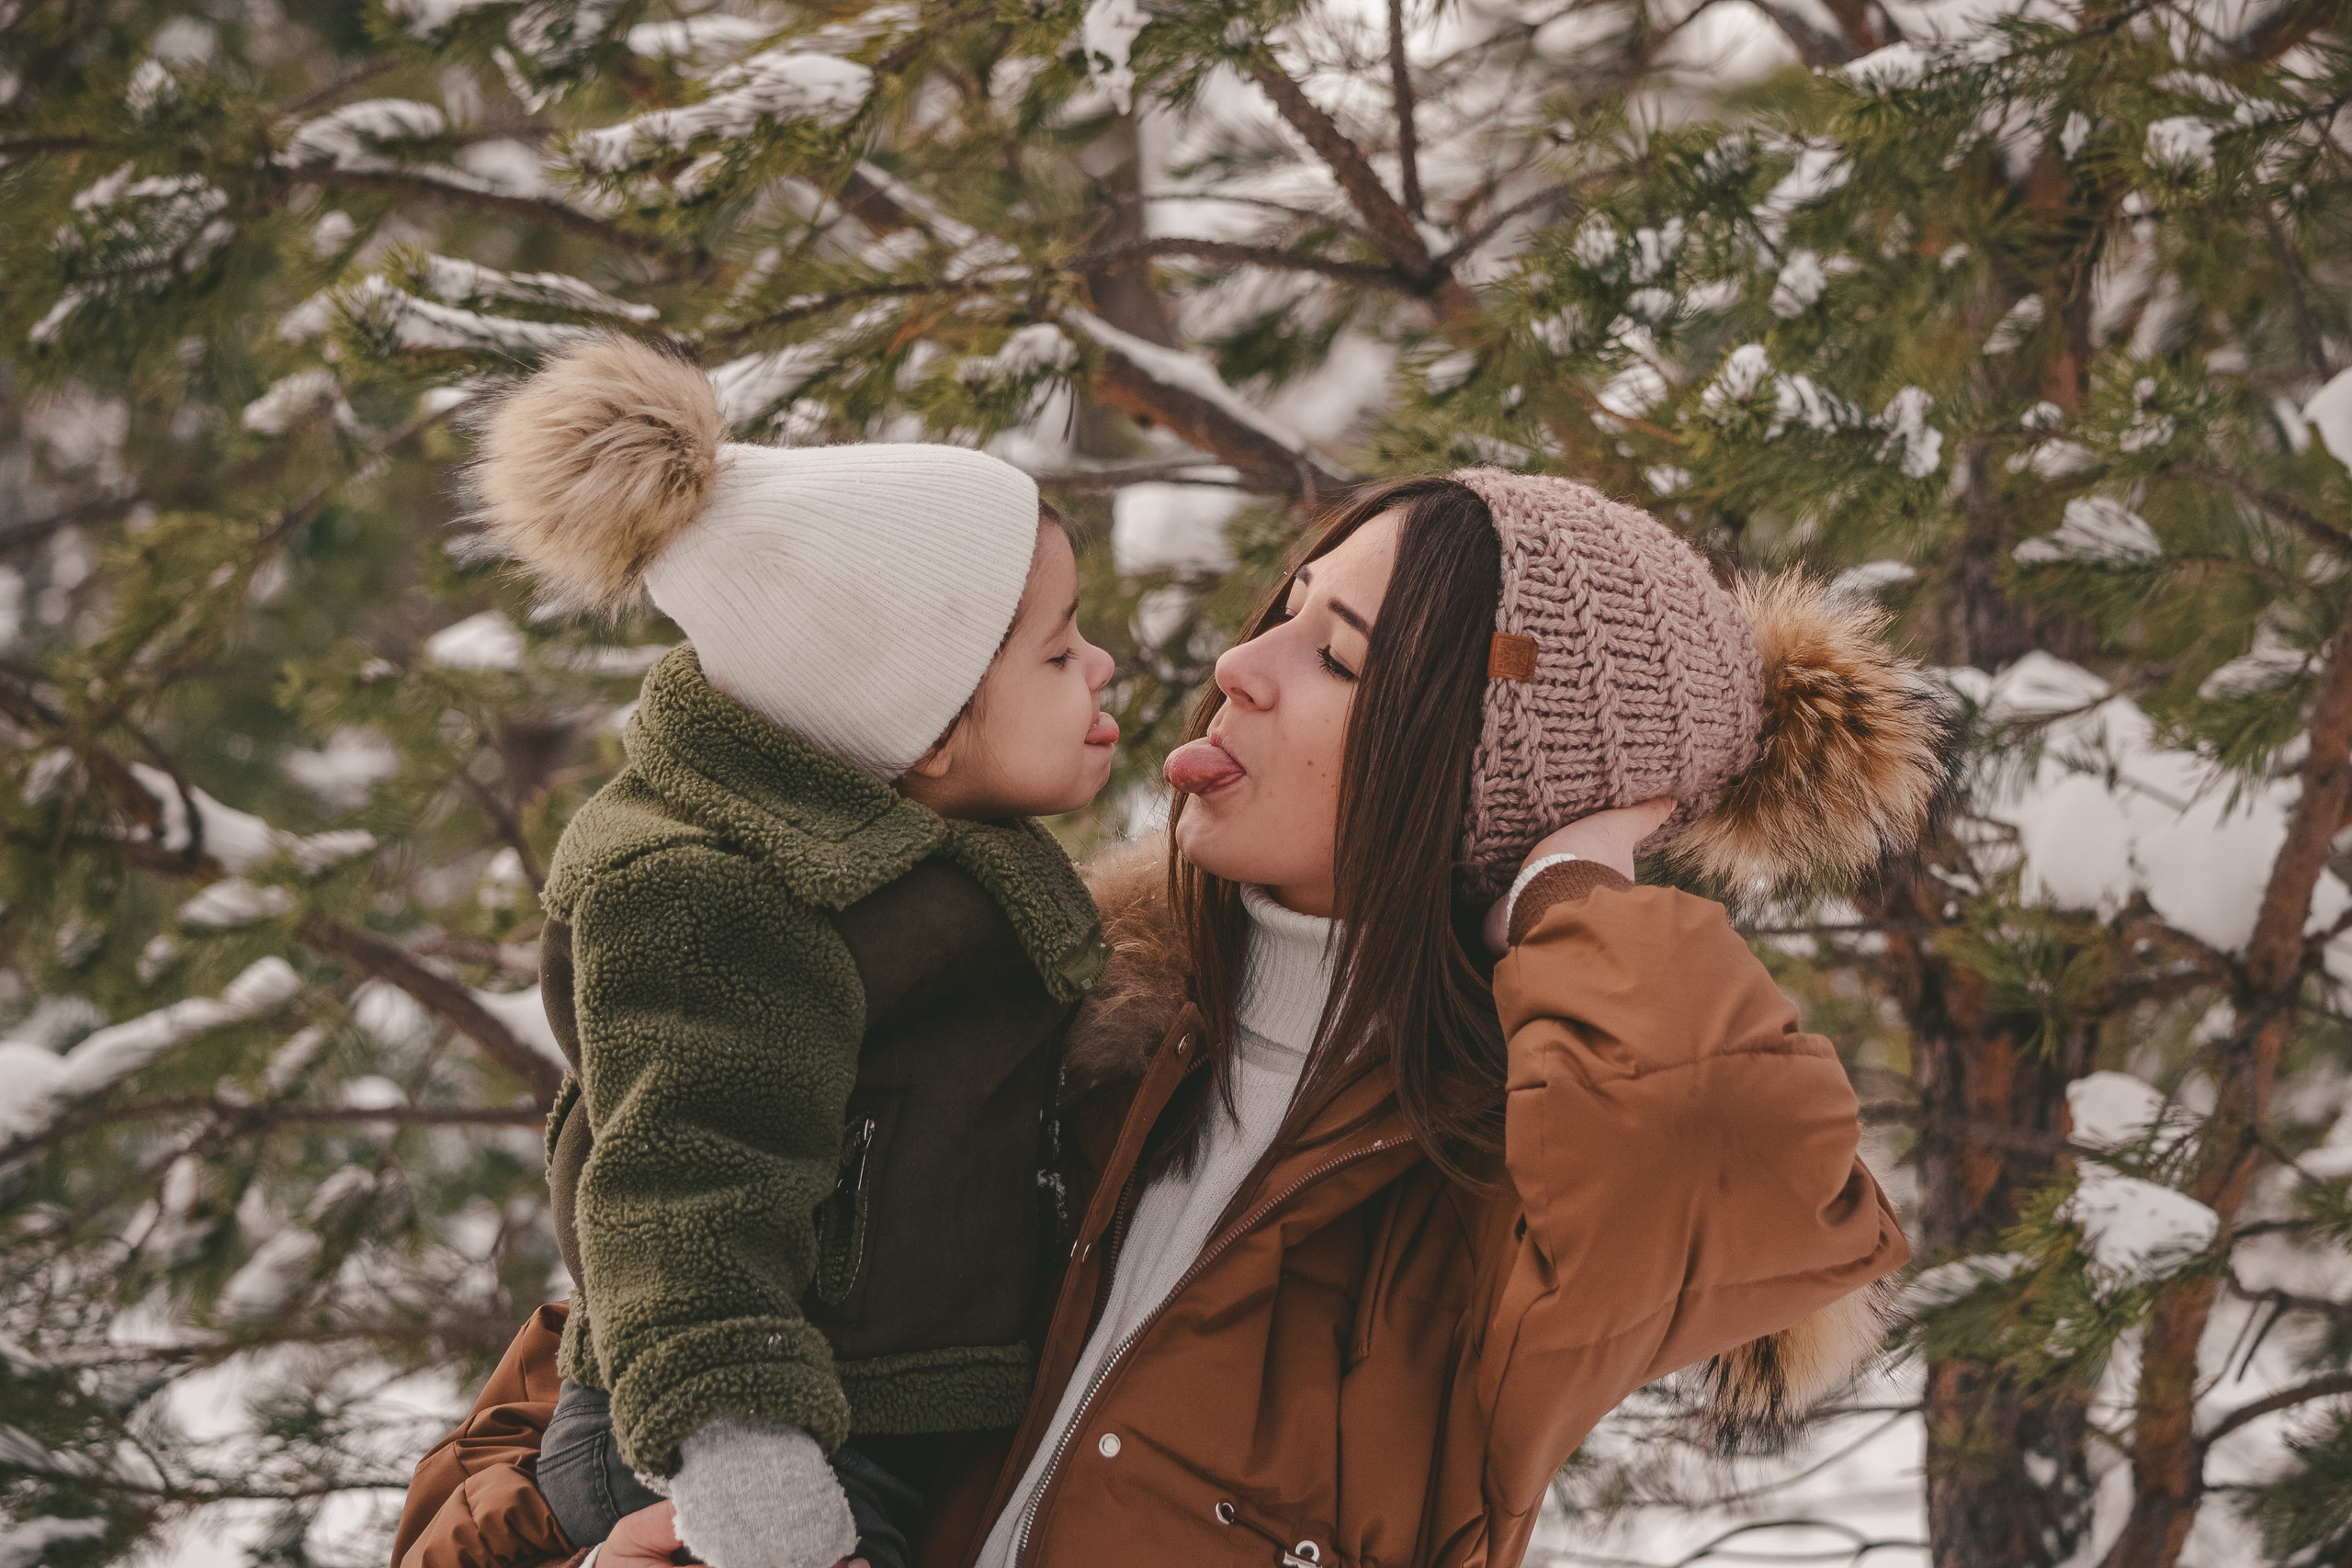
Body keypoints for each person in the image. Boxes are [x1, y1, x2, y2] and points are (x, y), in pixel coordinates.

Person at [394, 469, 1936, 1568]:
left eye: (1332, 657)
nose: (1234, 666)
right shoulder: (1025, 1009)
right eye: (1285, 610)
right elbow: (601, 1361)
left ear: (1474, 778)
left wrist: (1570, 882)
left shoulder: (1497, 1207)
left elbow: (1719, 1145)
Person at [427, 335, 1123, 1568]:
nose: (1102, 665)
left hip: (875, 1400)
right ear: (918, 717)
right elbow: (681, 1196)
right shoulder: (709, 899)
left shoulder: (917, 835)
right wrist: (764, 1496)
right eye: (1058, 653)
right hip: (753, 1443)